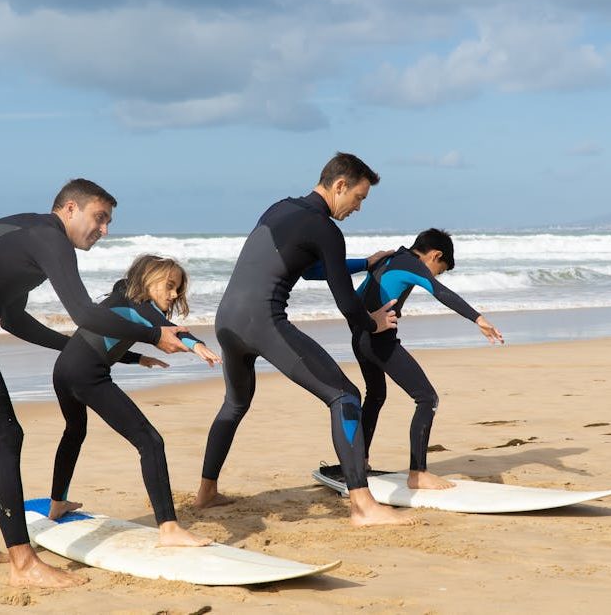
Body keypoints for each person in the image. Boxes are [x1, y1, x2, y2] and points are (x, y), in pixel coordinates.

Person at [0, 179, 191, 588]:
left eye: (109, 222)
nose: (105, 230)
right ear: (70, 209)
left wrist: (71, 348)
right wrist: (154, 335)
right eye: (100, 218)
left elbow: (13, 319)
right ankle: (23, 564)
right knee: (5, 432)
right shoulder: (49, 238)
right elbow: (85, 314)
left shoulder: (30, 239)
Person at [194, 152, 413, 527]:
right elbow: (346, 301)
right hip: (263, 322)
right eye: (358, 197)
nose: (358, 207)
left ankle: (206, 493)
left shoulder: (280, 209)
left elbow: (311, 269)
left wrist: (364, 262)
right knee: (345, 396)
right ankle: (362, 506)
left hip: (227, 321)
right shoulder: (326, 229)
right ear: (339, 185)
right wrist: (373, 323)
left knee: (234, 404)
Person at [47, 254, 222, 546]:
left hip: (64, 370)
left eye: (177, 288)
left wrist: (137, 358)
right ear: (147, 280)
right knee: (150, 441)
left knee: (74, 432)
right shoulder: (139, 304)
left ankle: (57, 503)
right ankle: (169, 529)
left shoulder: (121, 298)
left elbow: (100, 340)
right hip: (87, 374)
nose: (174, 294)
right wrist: (198, 345)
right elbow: (165, 329)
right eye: (168, 285)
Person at [313, 228, 503, 490]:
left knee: (376, 394)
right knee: (427, 398)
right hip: (379, 341)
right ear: (435, 255)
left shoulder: (388, 258)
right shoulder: (412, 265)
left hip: (360, 337)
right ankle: (418, 473)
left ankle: (360, 462)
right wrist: (479, 319)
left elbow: (356, 299)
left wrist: (365, 330)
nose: (436, 273)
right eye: (441, 268)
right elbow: (441, 292)